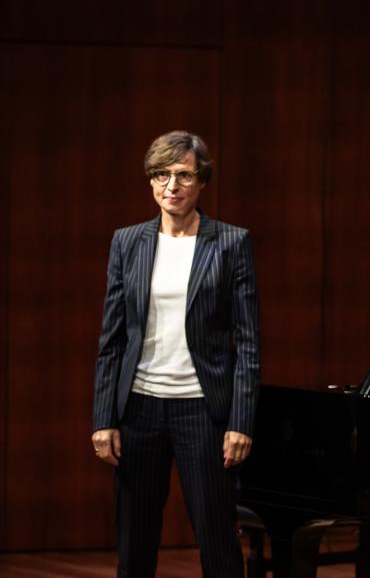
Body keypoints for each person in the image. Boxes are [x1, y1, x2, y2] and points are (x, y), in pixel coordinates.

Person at [91, 131, 260, 578]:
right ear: (150, 182)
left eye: (184, 175)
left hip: (202, 410)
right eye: (162, 175)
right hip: (139, 409)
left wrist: (240, 421)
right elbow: (112, 339)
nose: (172, 186)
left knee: (218, 538)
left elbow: (247, 342)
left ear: (202, 181)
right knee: (134, 540)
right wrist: (103, 416)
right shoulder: (127, 242)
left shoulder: (230, 242)